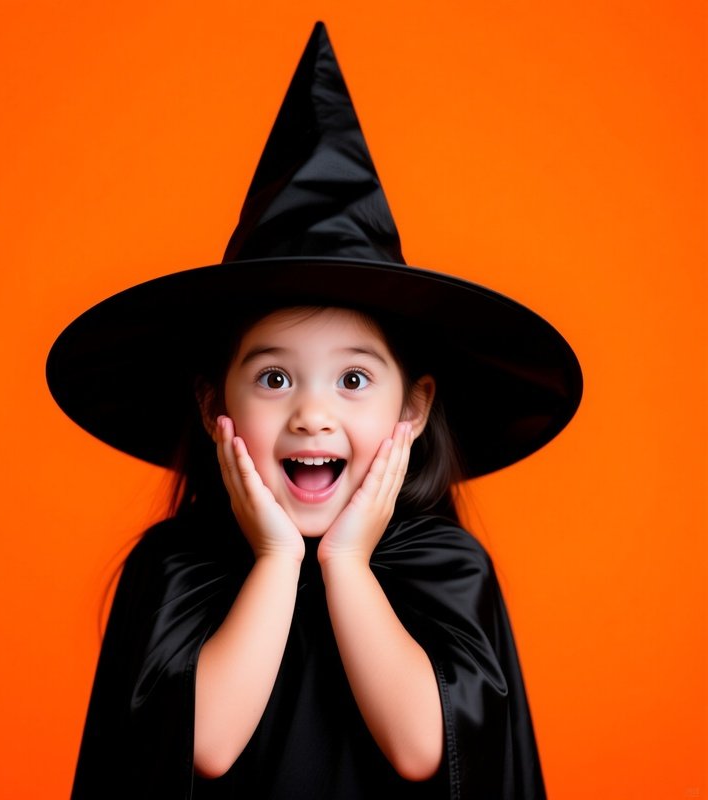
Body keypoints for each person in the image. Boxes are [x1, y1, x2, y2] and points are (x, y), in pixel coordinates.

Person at [47, 22, 582, 800]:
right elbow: (204, 746)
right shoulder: (176, 568)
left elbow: (423, 748)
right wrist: (273, 560)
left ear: (416, 408)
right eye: (273, 380)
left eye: (354, 382)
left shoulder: (445, 568)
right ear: (211, 404)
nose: (311, 415)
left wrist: (345, 565)